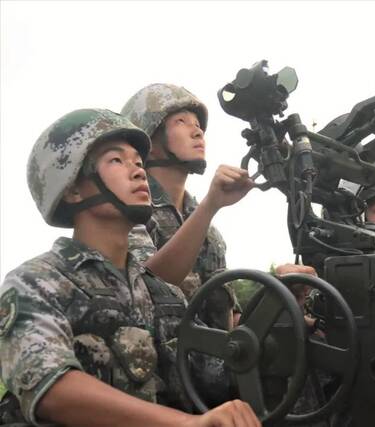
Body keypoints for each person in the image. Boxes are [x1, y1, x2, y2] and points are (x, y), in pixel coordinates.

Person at [0, 109, 260, 427]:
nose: (138, 171)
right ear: (72, 190)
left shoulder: (164, 294)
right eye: (116, 161)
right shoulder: (36, 282)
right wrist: (186, 423)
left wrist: (279, 310)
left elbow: (215, 377)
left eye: (138, 161)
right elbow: (49, 387)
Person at [122, 83, 252, 331]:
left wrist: (283, 300)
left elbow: (230, 325)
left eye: (198, 125)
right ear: (148, 139)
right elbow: (151, 286)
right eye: (181, 121)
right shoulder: (128, 211)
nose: (197, 132)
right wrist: (210, 205)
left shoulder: (206, 227)